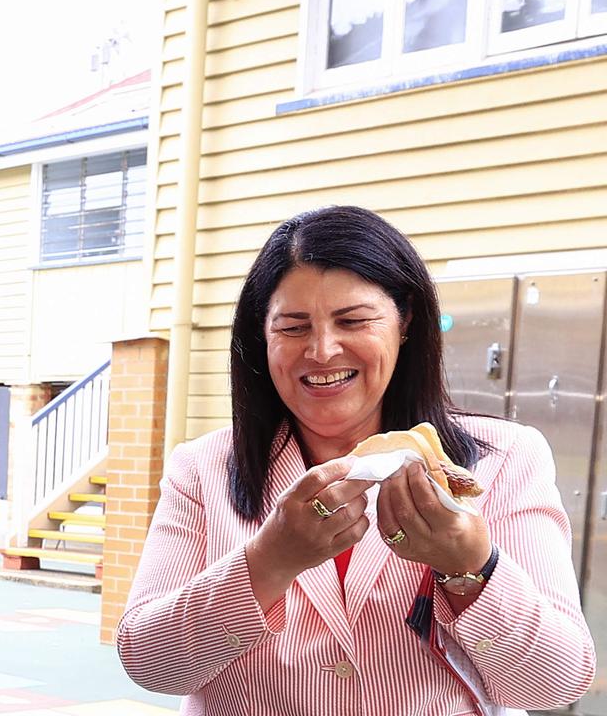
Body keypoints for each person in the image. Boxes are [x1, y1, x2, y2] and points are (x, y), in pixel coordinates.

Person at [117, 206, 595, 714]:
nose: (322, 350)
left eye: (354, 320)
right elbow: (150, 663)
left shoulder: (504, 459)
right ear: (262, 335)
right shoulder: (203, 467)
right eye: (293, 327)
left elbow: (556, 683)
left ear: (404, 322)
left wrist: (471, 568)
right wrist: (269, 560)